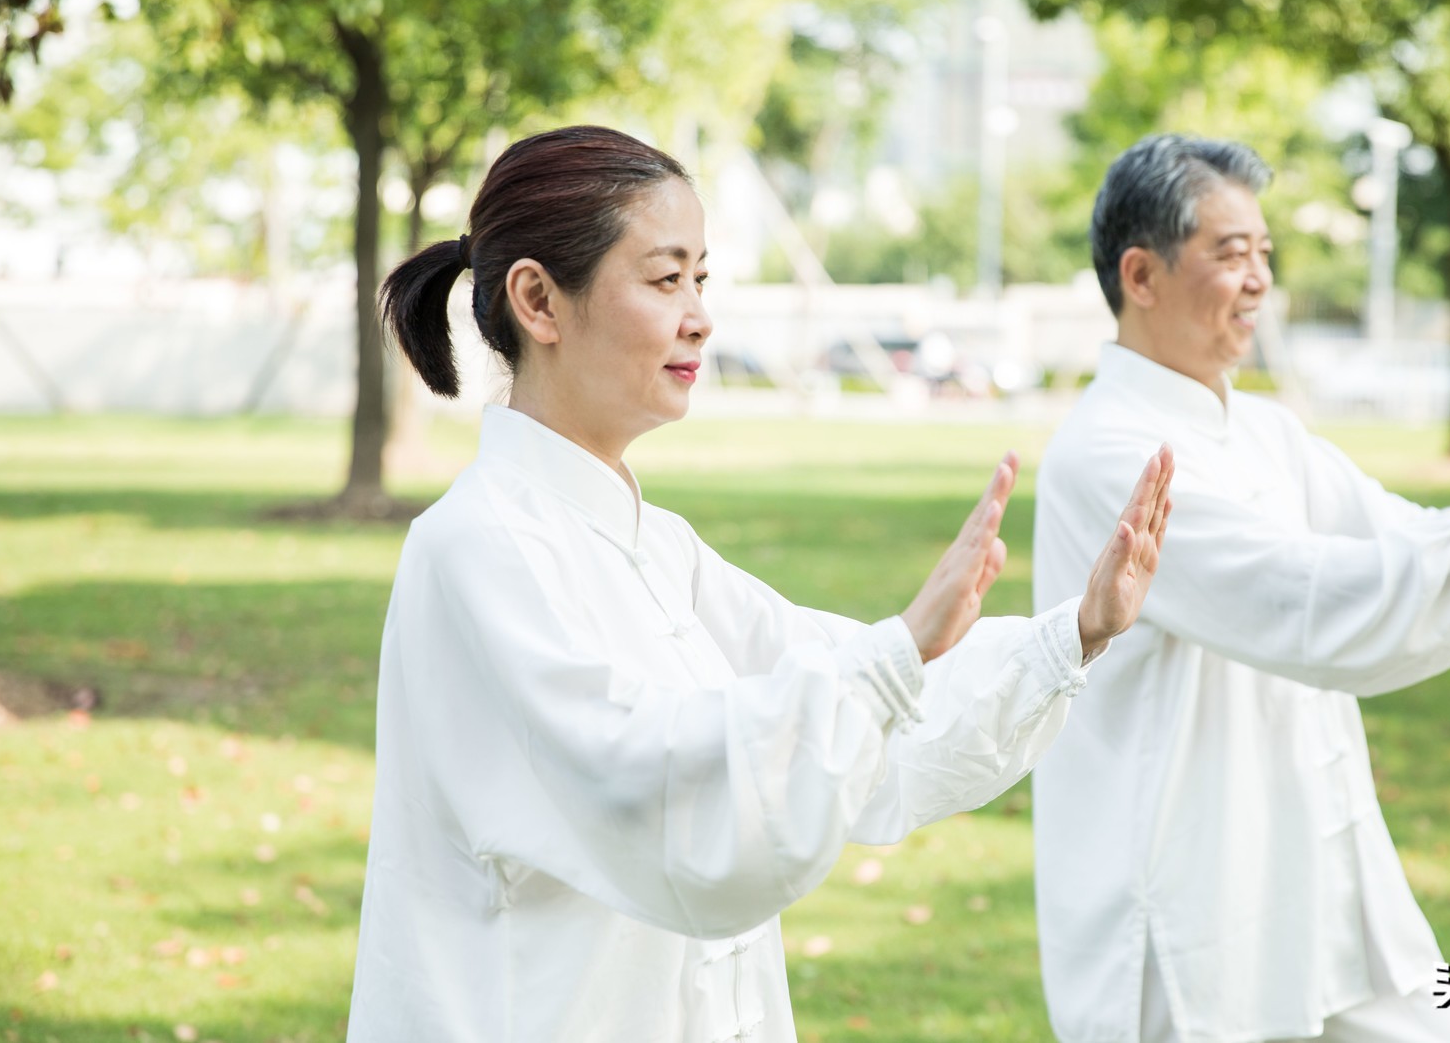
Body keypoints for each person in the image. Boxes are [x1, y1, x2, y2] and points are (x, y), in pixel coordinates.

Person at [346, 125, 1175, 1043]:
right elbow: (644, 782)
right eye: (666, 280)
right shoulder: (474, 549)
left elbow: (858, 707)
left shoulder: (657, 547)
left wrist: (1076, 633)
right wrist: (897, 653)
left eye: (702, 280)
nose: (699, 316)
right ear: (539, 300)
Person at [1031, 134, 1450, 1043]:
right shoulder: (1109, 455)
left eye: (1266, 255)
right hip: (1186, 901)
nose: (1259, 282)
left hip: (1320, 864)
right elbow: (1306, 602)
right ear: (1141, 275)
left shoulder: (1261, 432)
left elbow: (1400, 539)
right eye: (1230, 254)